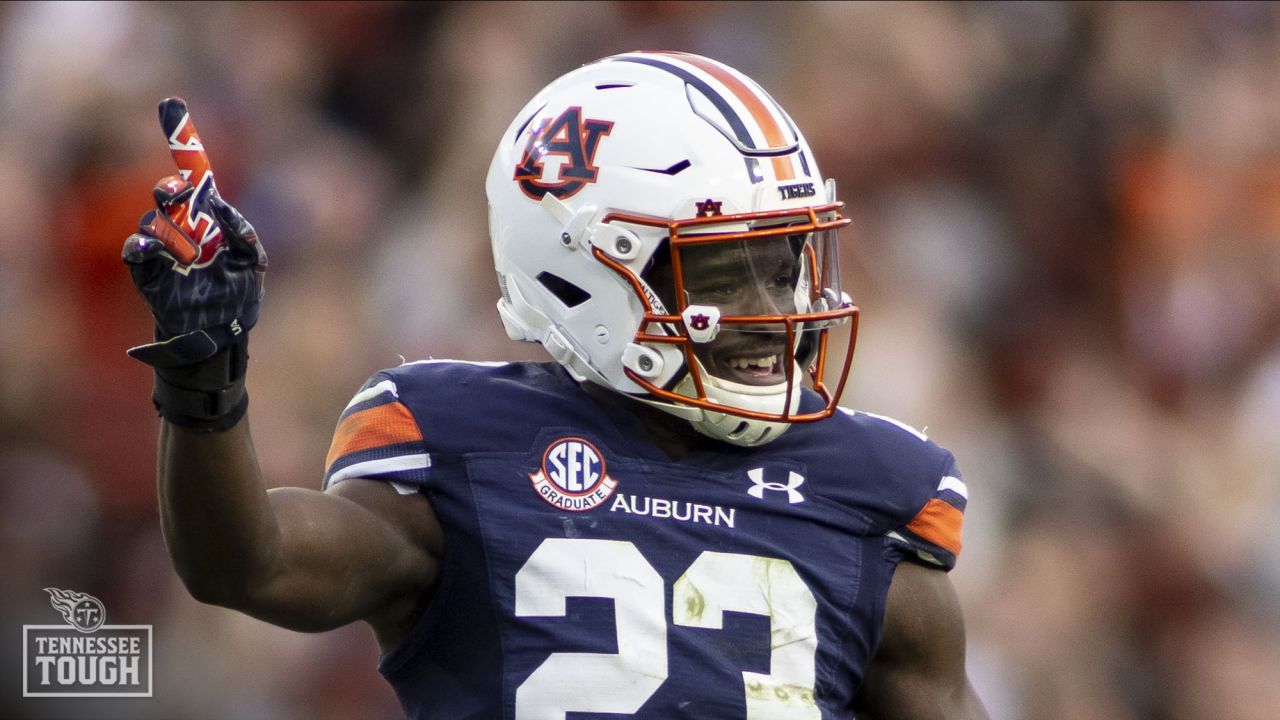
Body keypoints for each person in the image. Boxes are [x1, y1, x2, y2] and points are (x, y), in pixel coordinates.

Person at [123, 51, 989, 719]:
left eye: (785, 265)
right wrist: (205, 373)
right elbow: (248, 562)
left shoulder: (864, 496)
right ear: (584, 274)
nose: (774, 314)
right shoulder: (468, 451)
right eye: (722, 273)